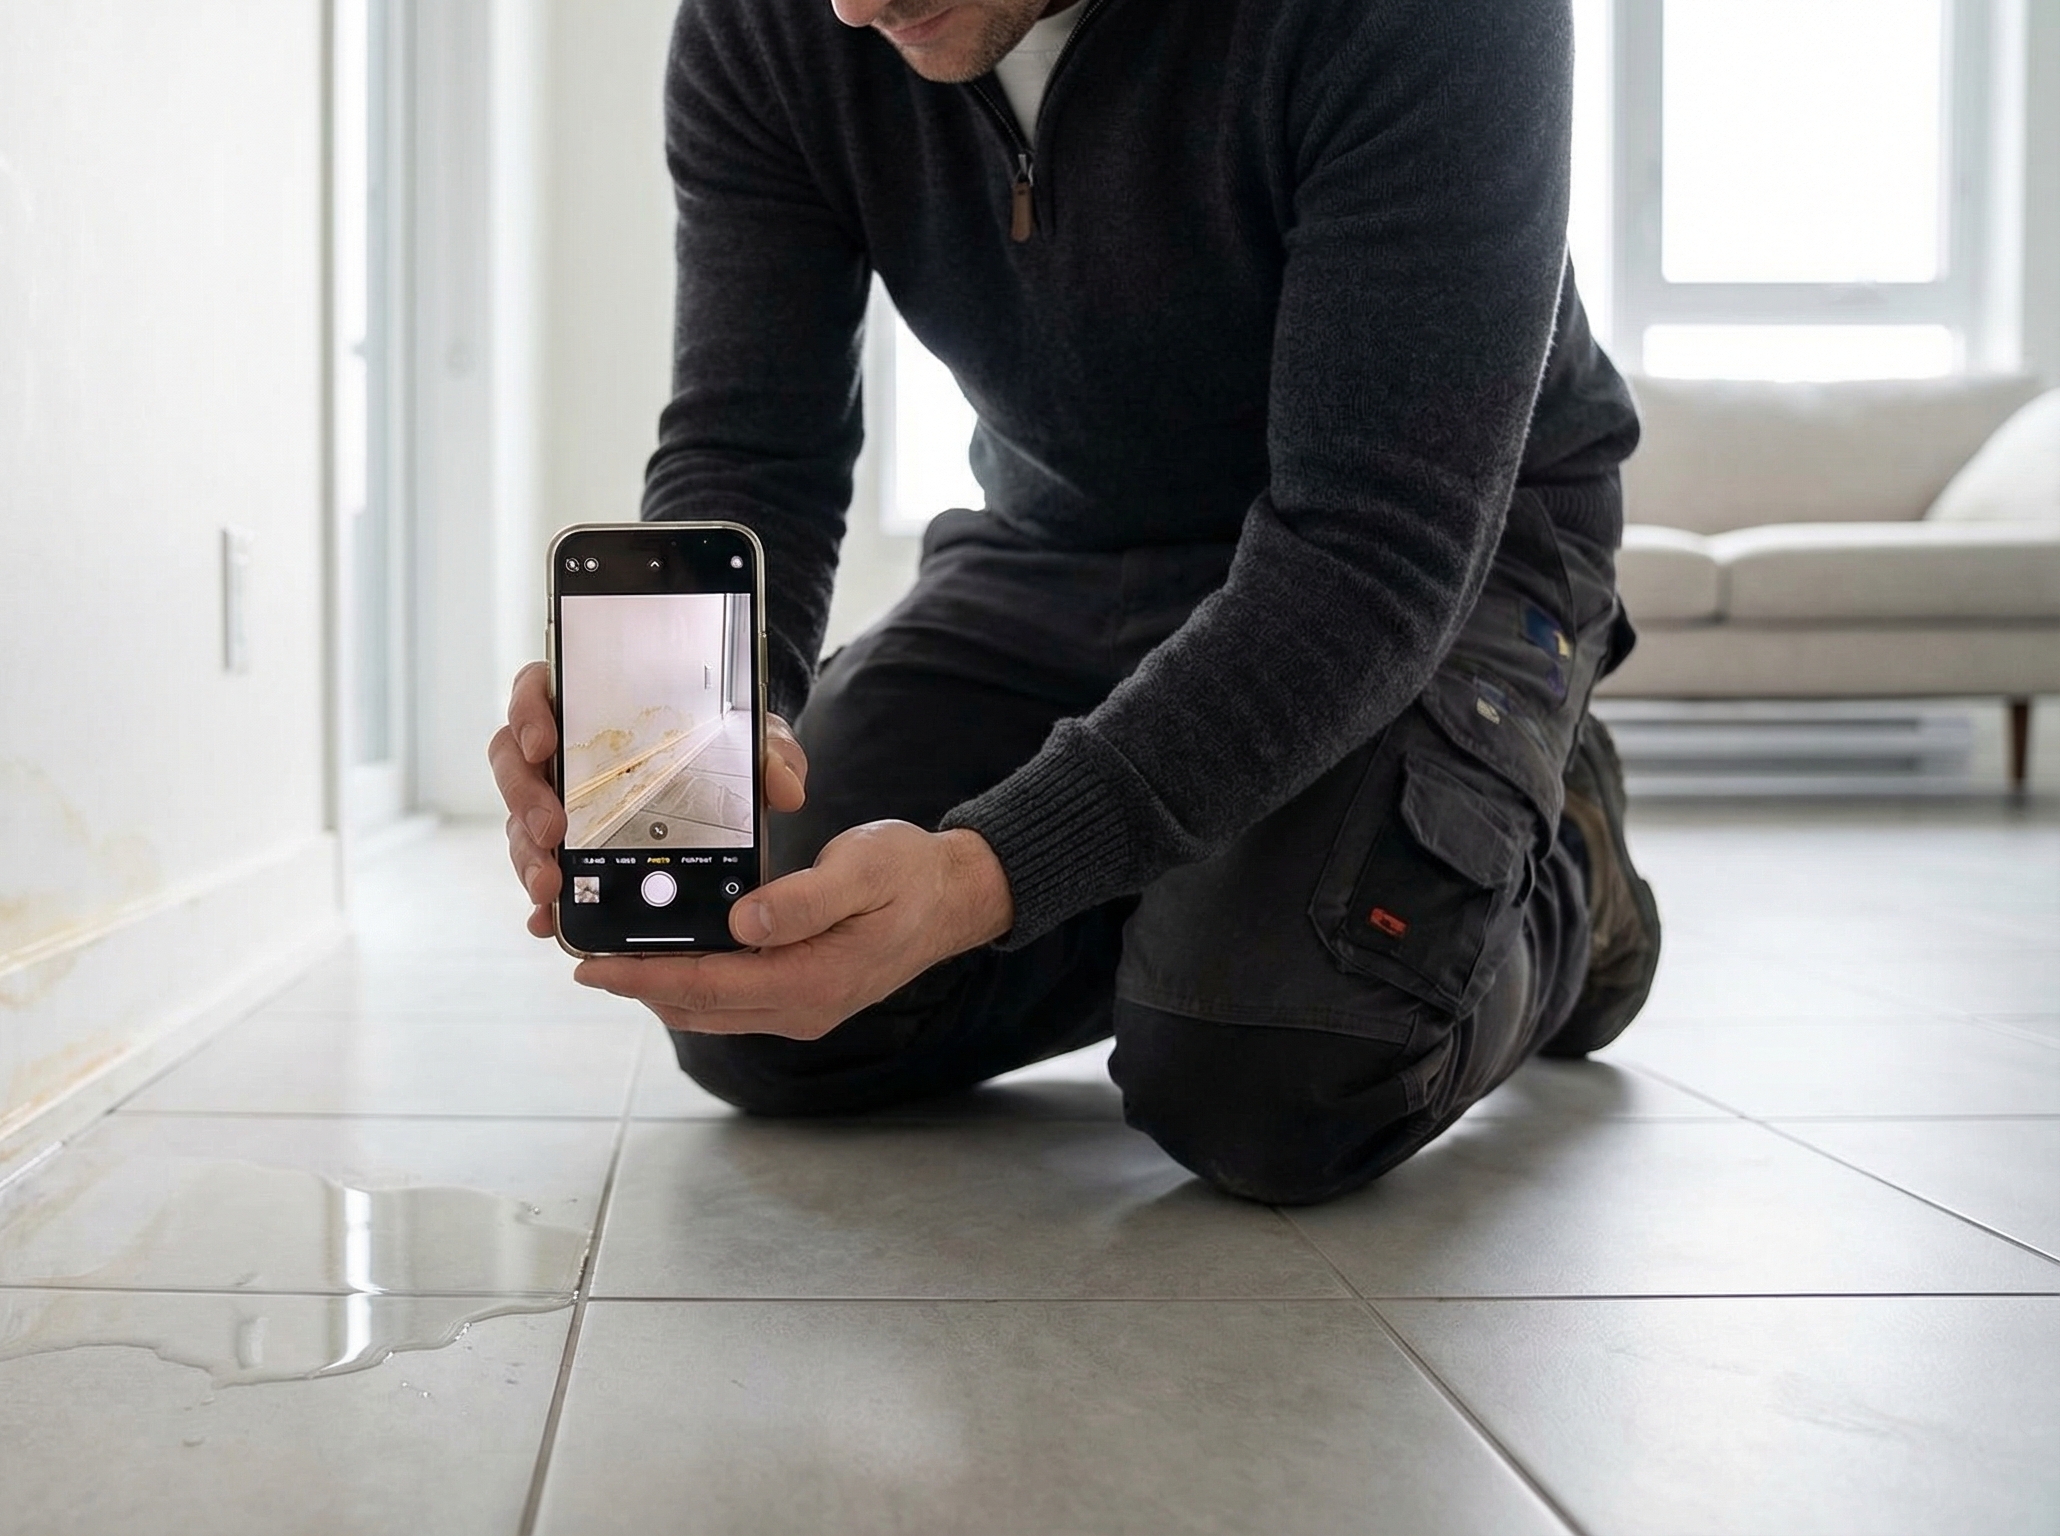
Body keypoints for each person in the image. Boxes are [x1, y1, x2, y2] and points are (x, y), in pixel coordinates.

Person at [487, 0, 1660, 1204]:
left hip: (1434, 557)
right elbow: (749, 446)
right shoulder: (767, 25)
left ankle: (1560, 854)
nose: (849, 7)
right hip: (1062, 545)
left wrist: (988, 871)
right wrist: (675, 720)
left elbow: (1370, 548)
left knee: (1271, 1076)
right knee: (763, 992)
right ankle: (1200, 879)